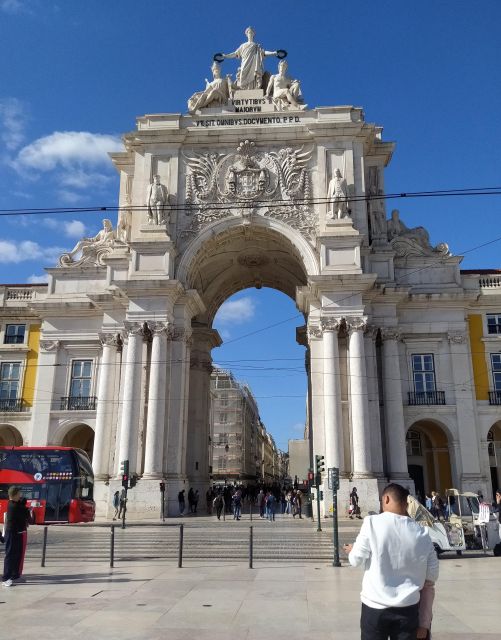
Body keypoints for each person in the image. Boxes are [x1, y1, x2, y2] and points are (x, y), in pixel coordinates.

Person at [344, 483, 439, 640]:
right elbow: (432, 575)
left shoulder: (371, 523)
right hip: (408, 610)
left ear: (386, 499)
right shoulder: (422, 532)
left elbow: (355, 560)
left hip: (374, 609)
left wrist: (354, 550)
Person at [2, 486, 31, 587]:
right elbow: (26, 514)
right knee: (10, 555)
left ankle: (15, 575)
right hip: (12, 533)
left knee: (17, 555)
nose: (20, 495)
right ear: (14, 495)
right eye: (18, 494)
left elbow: (22, 506)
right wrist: (26, 508)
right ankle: (6, 578)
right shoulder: (13, 506)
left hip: (18, 532)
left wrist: (23, 504)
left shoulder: (15, 504)